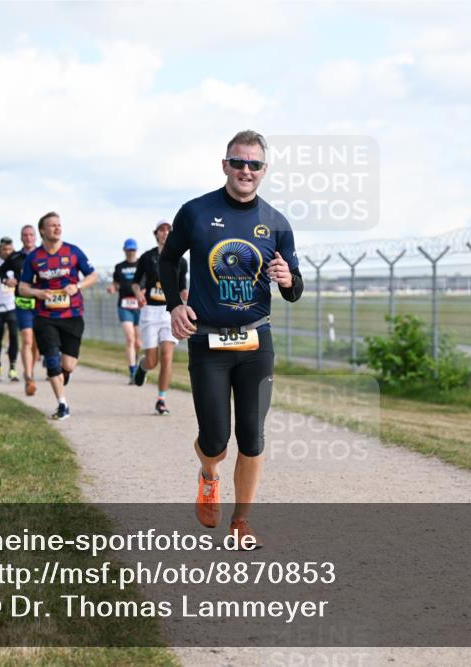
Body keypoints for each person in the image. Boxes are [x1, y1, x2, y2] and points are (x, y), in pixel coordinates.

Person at [161, 130, 303, 547]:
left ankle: (241, 521)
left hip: (256, 342)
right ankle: (208, 475)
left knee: (253, 436)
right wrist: (174, 305)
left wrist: (288, 279)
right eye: (238, 162)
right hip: (208, 342)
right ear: (224, 165)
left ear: (264, 170)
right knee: (215, 439)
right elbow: (169, 262)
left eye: (254, 164)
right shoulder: (196, 212)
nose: (245, 170)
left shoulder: (277, 224)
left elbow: (294, 290)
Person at [18, 212, 98, 420]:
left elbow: (93, 275)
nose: (57, 228)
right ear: (42, 230)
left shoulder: (72, 252)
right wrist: (38, 293)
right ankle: (62, 404)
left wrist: (77, 285)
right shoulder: (34, 257)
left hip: (72, 314)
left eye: (59, 225)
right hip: (45, 316)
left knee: (68, 365)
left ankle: (64, 374)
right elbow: (22, 287)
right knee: (52, 361)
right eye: (52, 225)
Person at [132, 221, 187, 415]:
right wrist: (138, 293)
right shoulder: (147, 257)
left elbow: (182, 286)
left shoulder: (181, 260)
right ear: (156, 234)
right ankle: (143, 366)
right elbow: (136, 282)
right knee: (152, 361)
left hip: (169, 311)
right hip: (150, 311)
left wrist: (185, 296)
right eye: (162, 230)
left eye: (169, 230)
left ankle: (161, 399)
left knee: (167, 355)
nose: (165, 233)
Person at [0, 224, 41, 394]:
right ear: (21, 238)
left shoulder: (43, 254)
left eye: (31, 234)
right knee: (27, 339)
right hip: (23, 302)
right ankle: (29, 377)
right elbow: (2, 270)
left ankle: (30, 368)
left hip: (41, 303)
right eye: (25, 235)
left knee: (36, 344)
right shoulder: (15, 257)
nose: (29, 237)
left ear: (36, 236)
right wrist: (6, 281)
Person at [107, 238, 143, 384]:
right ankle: (132, 371)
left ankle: (136, 362)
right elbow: (116, 284)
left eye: (133, 250)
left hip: (140, 306)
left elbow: (147, 281)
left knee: (138, 343)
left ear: (136, 250)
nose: (131, 252)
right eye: (128, 250)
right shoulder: (119, 267)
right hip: (124, 305)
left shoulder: (142, 264)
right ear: (124, 250)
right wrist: (112, 288)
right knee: (130, 338)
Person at [0, 237, 20, 382]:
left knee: (14, 335)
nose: (7, 252)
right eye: (4, 249)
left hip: (12, 304)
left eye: (10, 249)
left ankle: (13, 368)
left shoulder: (17, 261)